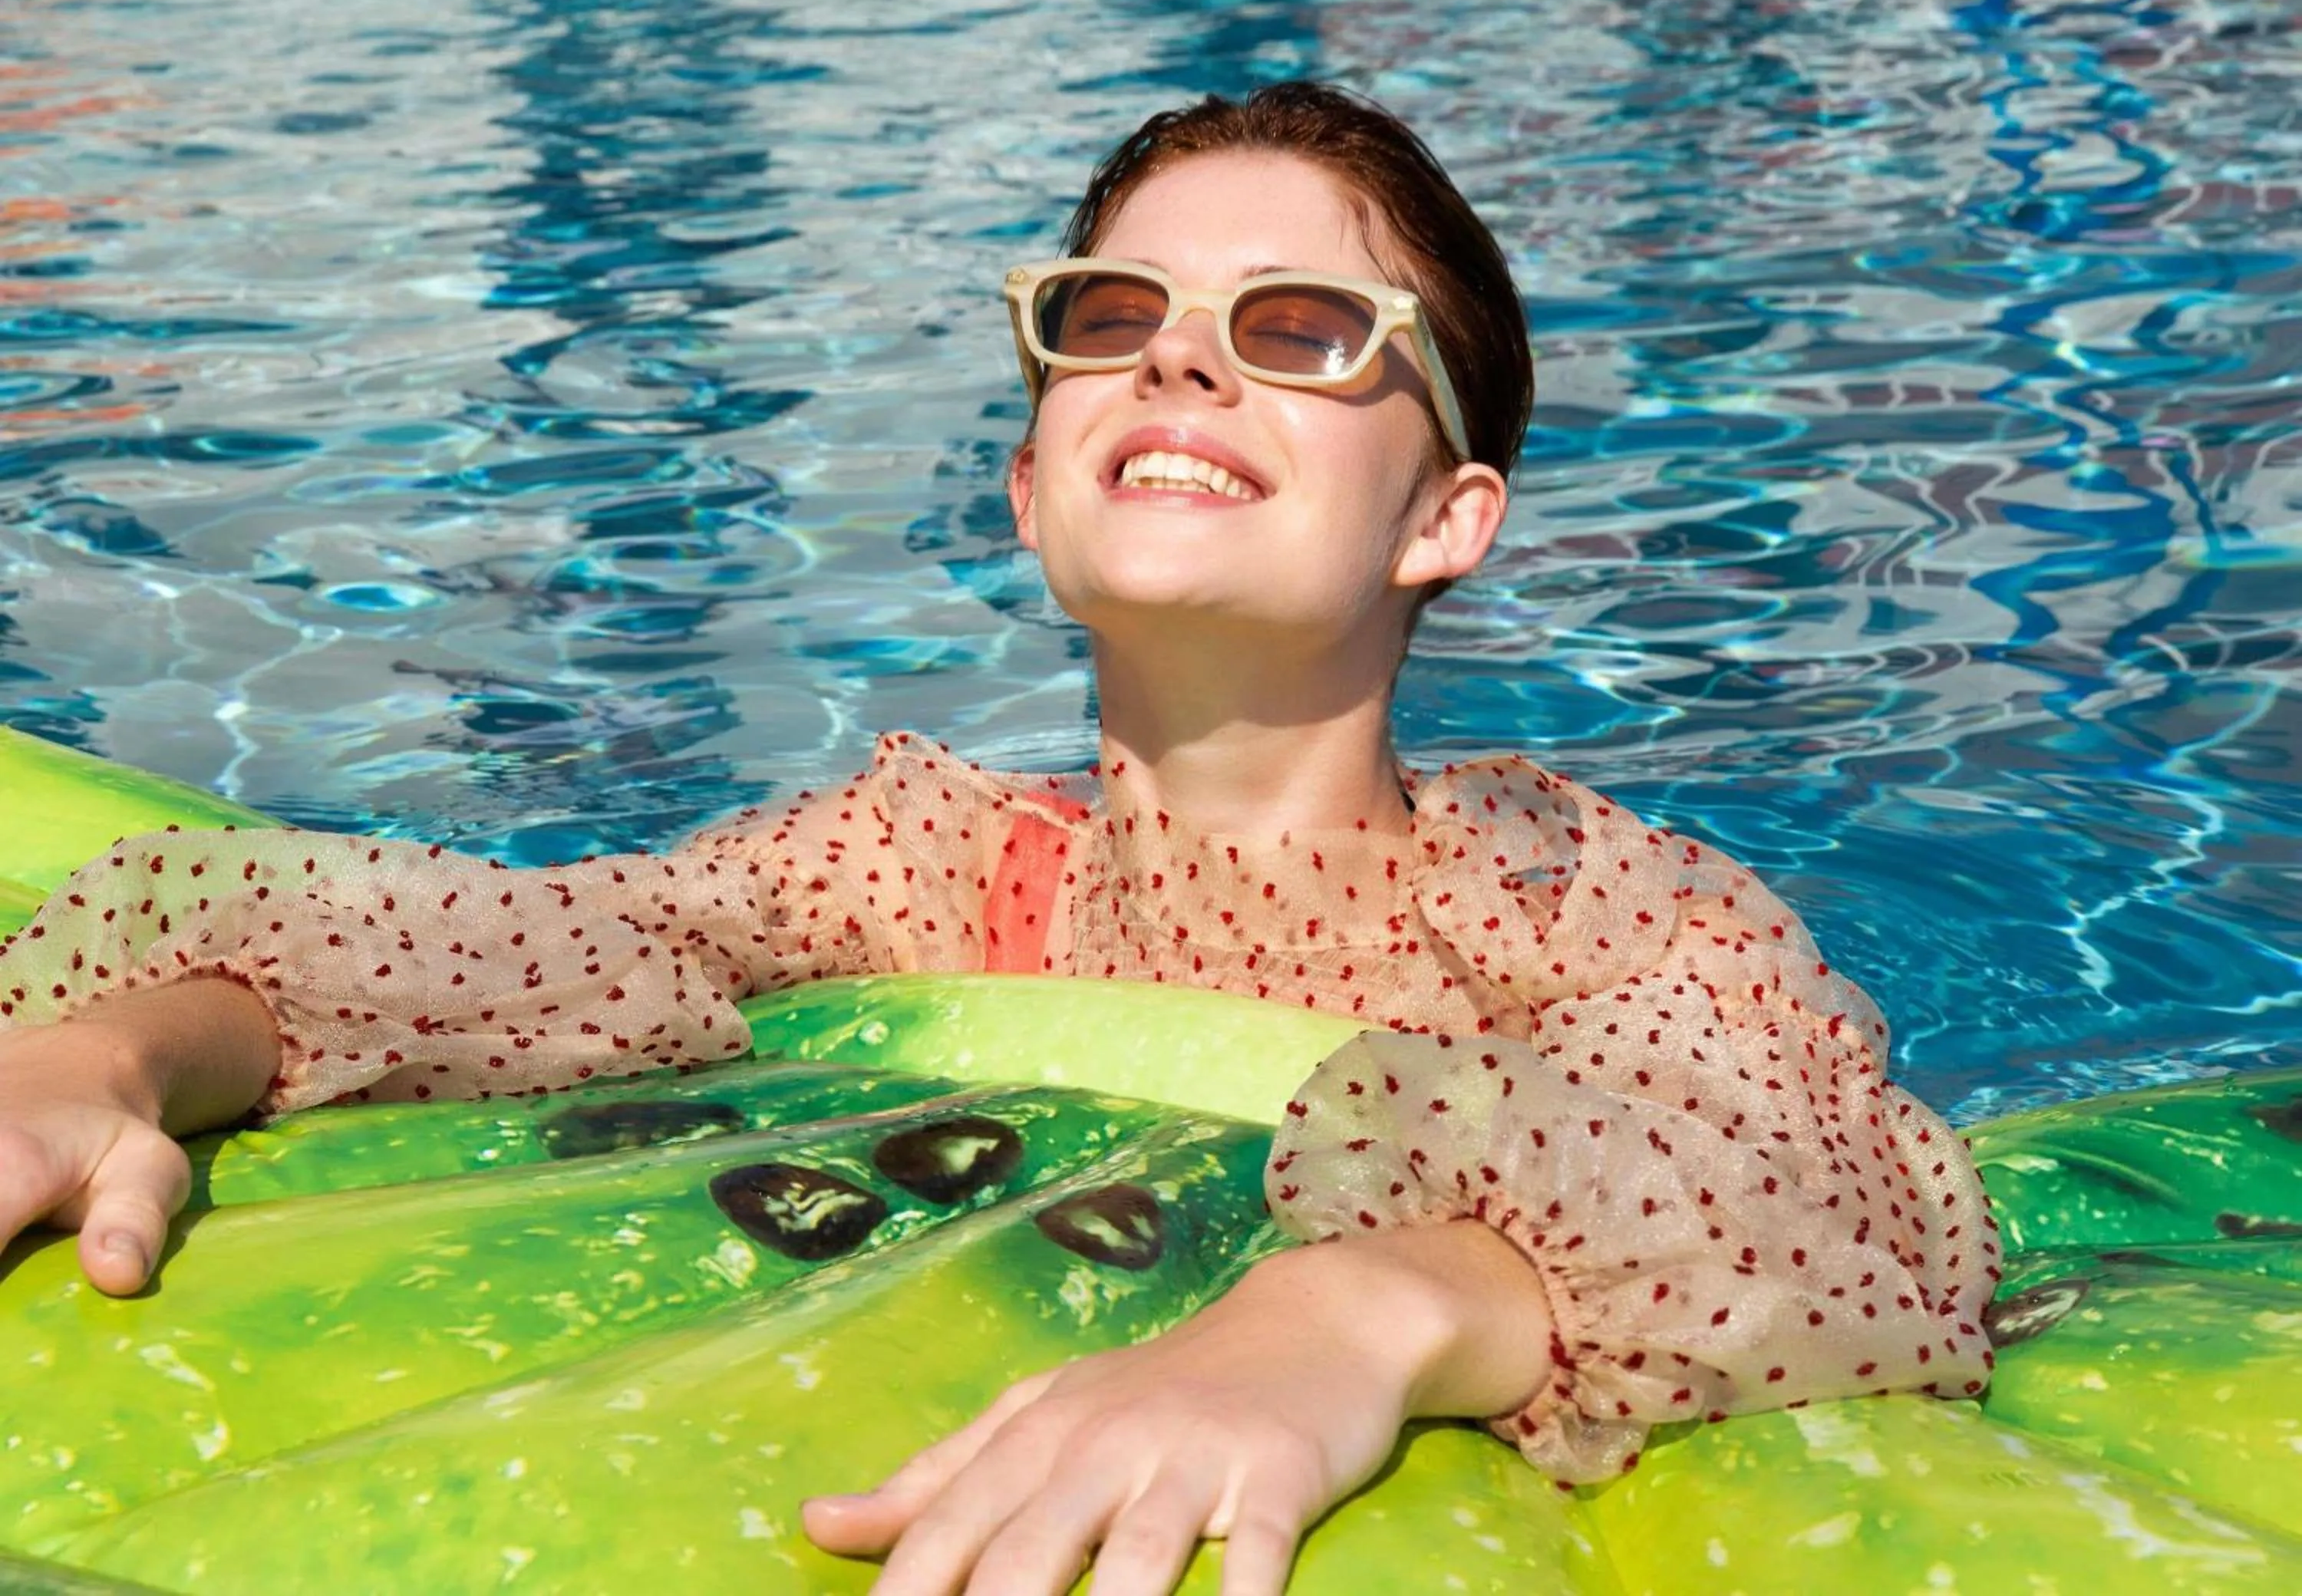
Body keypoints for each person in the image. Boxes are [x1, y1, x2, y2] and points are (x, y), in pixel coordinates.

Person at [0, 83, 1999, 1596]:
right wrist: (112, 1056)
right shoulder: (931, 868)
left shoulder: (1584, 912)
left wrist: (1358, 1313)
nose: (1181, 358)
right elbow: (516, 944)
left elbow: (1843, 1197)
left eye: (1301, 325)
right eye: (1112, 313)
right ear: (1034, 489)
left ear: (1445, 519)